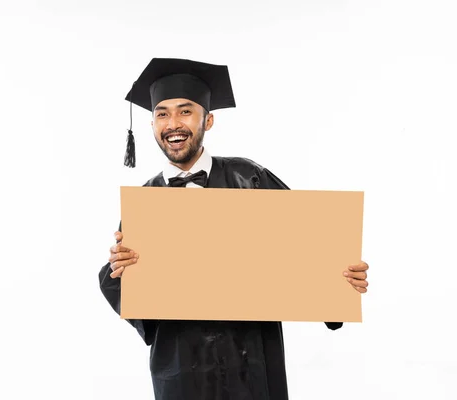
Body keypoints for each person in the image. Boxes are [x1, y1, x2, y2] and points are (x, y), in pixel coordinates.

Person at [98, 58, 370, 400]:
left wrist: (341, 281)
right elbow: (126, 291)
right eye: (163, 114)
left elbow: (310, 248)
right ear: (153, 124)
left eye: (185, 111)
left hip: (251, 363)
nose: (173, 123)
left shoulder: (250, 178)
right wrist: (119, 269)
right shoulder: (145, 202)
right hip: (180, 369)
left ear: (207, 120)